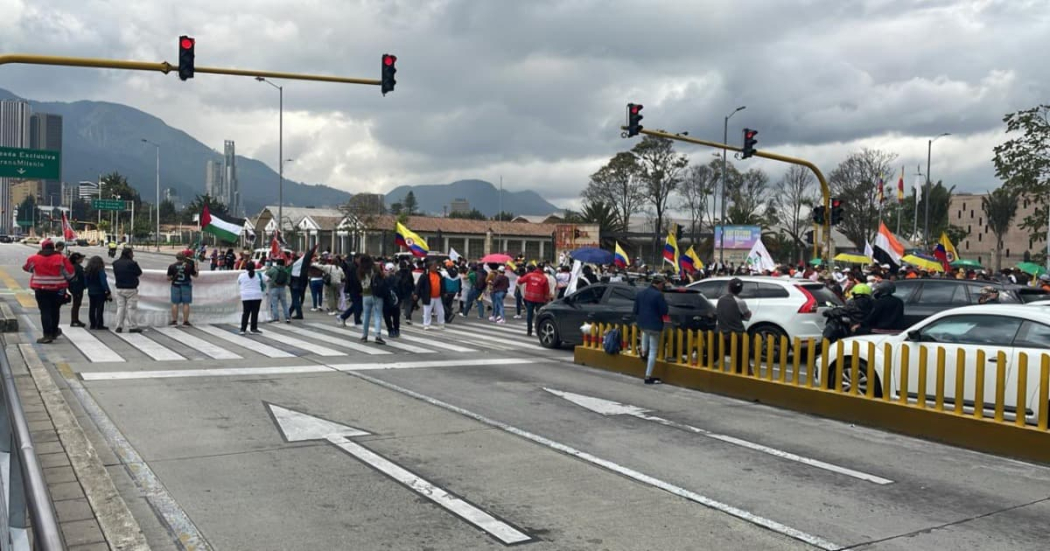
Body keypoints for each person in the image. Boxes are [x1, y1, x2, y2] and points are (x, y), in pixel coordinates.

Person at [23, 239, 75, 343]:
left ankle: (47, 335)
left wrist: (37, 270)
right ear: (53, 247)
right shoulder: (61, 258)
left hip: (41, 290)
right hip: (57, 290)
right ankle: (54, 331)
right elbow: (70, 274)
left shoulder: (34, 258)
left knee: (45, 311)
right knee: (55, 310)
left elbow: (26, 268)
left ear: (42, 248)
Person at [634, 274, 669, 385]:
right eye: (663, 284)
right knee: (653, 350)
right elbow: (664, 311)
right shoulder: (658, 295)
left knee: (645, 334)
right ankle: (648, 376)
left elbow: (635, 310)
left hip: (643, 324)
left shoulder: (641, 293)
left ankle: (643, 350)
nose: (663, 287)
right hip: (654, 326)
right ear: (659, 284)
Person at [716, 278, 752, 374]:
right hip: (738, 334)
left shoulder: (721, 299)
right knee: (743, 357)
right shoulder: (740, 302)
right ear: (740, 289)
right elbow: (747, 316)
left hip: (723, 332)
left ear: (729, 288)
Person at [112, 246, 143, 333]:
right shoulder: (132, 263)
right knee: (131, 308)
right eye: (132, 253)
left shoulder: (115, 263)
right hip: (131, 288)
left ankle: (119, 326)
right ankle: (133, 326)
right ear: (129, 254)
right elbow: (139, 273)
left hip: (119, 287)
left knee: (120, 307)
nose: (133, 255)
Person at [356, 256, 386, 344]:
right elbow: (383, 277)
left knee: (366, 315)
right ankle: (378, 336)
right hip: (376, 294)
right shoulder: (375, 269)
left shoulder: (359, 270)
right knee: (378, 315)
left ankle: (364, 336)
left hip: (365, 295)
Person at [517, 265, 551, 337]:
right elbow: (546, 290)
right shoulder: (544, 278)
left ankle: (529, 331)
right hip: (540, 299)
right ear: (542, 269)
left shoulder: (529, 275)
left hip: (529, 298)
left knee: (529, 315)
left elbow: (520, 281)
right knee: (539, 315)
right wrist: (546, 299)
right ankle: (539, 330)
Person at [166, 251, 197, 326]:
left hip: (175, 286)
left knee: (175, 303)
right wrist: (196, 266)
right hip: (186, 285)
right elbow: (196, 275)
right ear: (184, 258)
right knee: (186, 303)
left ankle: (174, 321)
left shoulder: (172, 266)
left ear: (176, 257)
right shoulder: (189, 266)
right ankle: (185, 321)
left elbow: (168, 278)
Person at [413, 261, 445, 331]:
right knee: (427, 311)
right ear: (429, 267)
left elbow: (442, 284)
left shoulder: (439, 274)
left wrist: (444, 292)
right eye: (434, 266)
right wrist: (416, 294)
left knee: (441, 311)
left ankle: (441, 324)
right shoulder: (425, 276)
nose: (436, 267)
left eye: (436, 265)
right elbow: (418, 285)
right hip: (428, 296)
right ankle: (426, 325)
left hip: (438, 297)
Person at [237, 261, 266, 334]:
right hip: (257, 296)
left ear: (246, 267)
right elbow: (267, 279)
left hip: (245, 296)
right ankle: (253, 328)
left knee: (246, 313)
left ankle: (242, 329)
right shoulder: (259, 275)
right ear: (254, 267)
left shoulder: (241, 275)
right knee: (255, 313)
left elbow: (239, 282)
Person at [84, 255, 111, 330]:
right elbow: (103, 282)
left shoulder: (87, 270)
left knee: (92, 307)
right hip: (99, 291)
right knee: (99, 308)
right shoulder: (100, 270)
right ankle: (99, 324)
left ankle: (92, 324)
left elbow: (85, 282)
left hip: (91, 291)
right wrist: (107, 291)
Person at [264, 258, 292, 323]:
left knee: (274, 304)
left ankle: (276, 319)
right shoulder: (286, 270)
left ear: (277, 263)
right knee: (284, 304)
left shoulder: (273, 269)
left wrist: (272, 280)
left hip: (274, 288)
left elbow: (266, 274)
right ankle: (287, 318)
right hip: (282, 288)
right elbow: (288, 281)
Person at [381, 263, 402, 338]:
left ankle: (390, 330)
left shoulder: (383, 279)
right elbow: (401, 291)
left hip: (386, 301)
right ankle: (396, 330)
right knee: (396, 316)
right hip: (396, 301)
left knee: (387, 317)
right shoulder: (398, 278)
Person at [67, 253, 86, 328]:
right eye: (81, 258)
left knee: (77, 304)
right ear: (76, 260)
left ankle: (75, 319)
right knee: (76, 304)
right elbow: (81, 277)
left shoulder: (74, 267)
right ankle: (74, 320)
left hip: (75, 287)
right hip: (77, 287)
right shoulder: (77, 268)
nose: (82, 260)